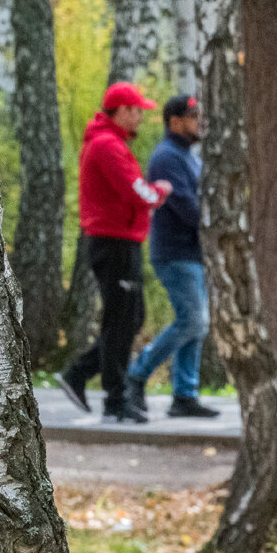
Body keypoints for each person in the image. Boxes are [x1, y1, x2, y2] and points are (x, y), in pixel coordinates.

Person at [56, 82, 171, 423]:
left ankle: (79, 375)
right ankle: (114, 400)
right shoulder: (107, 146)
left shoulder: (111, 143)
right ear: (121, 111)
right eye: (137, 111)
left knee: (128, 318)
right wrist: (159, 191)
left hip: (121, 241)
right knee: (121, 320)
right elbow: (136, 192)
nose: (141, 118)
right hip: (113, 242)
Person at [123, 95, 220, 418]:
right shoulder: (167, 157)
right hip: (174, 252)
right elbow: (188, 208)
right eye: (193, 115)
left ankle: (184, 395)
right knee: (193, 320)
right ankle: (137, 373)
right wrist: (216, 224)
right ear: (175, 121)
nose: (199, 121)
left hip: (193, 253)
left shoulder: (189, 157)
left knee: (196, 324)